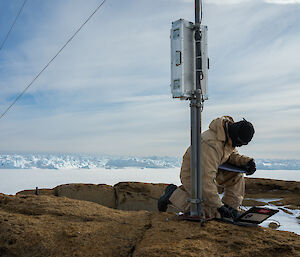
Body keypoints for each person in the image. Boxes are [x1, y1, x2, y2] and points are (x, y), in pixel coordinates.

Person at [158, 115, 256, 220]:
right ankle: (173, 194)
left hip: (214, 169)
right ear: (235, 136)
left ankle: (230, 209)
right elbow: (205, 180)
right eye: (239, 143)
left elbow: (230, 155)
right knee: (206, 212)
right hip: (194, 175)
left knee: (237, 175)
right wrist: (219, 206)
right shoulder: (210, 145)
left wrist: (247, 161)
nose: (238, 146)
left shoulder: (227, 135)